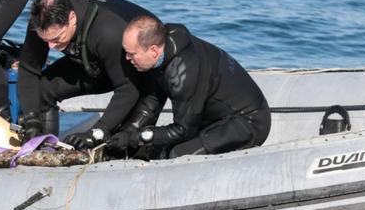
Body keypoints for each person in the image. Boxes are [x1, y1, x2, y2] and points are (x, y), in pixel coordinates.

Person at [109, 16, 271, 158]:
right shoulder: (161, 52)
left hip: (248, 122)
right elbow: (152, 100)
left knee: (177, 154)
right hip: (209, 119)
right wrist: (128, 133)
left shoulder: (182, 74)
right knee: (152, 148)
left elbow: (183, 130)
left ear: (153, 50)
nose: (127, 58)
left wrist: (138, 137)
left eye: (132, 54)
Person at [17, 0, 157, 149]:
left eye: (56, 38)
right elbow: (28, 70)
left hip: (138, 70)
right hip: (91, 62)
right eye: (45, 40)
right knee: (41, 89)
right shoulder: (41, 21)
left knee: (125, 138)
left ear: (72, 18)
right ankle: (45, 147)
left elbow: (128, 88)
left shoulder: (107, 32)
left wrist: (97, 131)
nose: (50, 46)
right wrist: (32, 120)